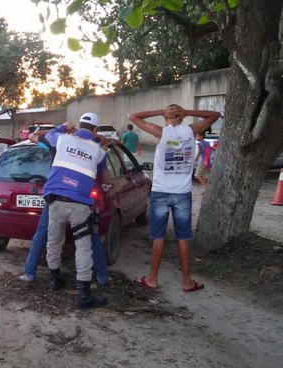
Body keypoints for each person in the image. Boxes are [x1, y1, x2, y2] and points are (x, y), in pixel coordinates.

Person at [128, 104, 220, 292]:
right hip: (182, 192)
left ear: (167, 117)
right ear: (181, 118)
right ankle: (187, 282)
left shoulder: (160, 132)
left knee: (158, 236)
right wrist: (188, 113)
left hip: (161, 191)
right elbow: (215, 115)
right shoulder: (191, 130)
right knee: (183, 238)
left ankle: (152, 278)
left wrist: (159, 110)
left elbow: (133, 116)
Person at [18, 126, 110, 288]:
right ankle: (100, 278)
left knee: (44, 236)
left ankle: (32, 274)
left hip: (55, 196)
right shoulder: (91, 147)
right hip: (80, 198)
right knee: (88, 240)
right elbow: (101, 142)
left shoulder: (58, 141)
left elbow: (34, 136)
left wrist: (62, 128)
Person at [42, 113, 111, 310]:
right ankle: (83, 296)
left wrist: (63, 126)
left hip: (55, 201)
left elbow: (45, 136)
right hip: (80, 205)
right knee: (83, 248)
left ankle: (54, 281)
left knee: (54, 242)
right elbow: (105, 179)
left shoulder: (62, 138)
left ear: (78, 126)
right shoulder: (99, 152)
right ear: (96, 130)